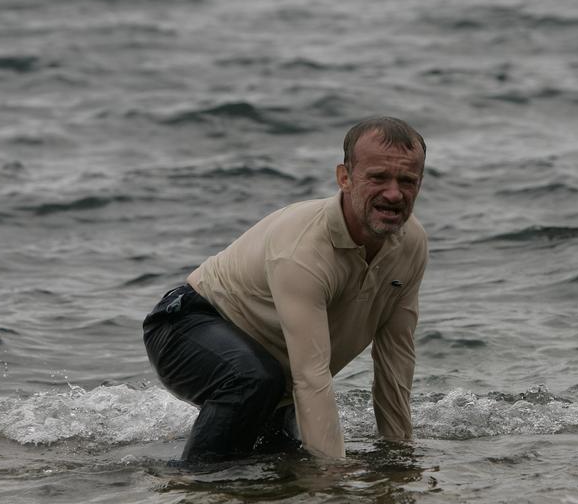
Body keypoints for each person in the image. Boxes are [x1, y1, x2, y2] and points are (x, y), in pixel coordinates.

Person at [143, 117, 428, 462]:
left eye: (407, 180)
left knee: (285, 465)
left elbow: (395, 361)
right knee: (255, 386)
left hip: (276, 375)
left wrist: (398, 460)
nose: (394, 193)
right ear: (345, 178)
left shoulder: (411, 245)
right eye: (378, 177)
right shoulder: (303, 249)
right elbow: (311, 377)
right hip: (185, 325)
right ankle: (193, 486)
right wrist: (331, 479)